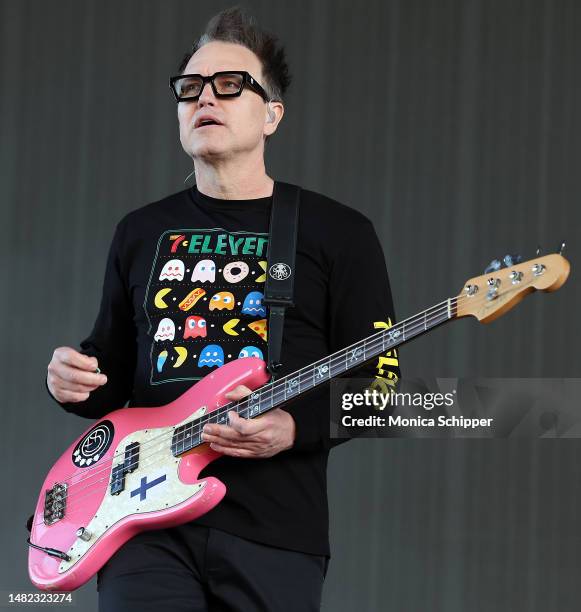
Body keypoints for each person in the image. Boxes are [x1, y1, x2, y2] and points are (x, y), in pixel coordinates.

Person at [45, 7, 400, 612]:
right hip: (145, 525)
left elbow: (388, 389)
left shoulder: (338, 232)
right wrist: (71, 380)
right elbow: (109, 368)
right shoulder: (141, 230)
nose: (205, 97)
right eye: (190, 88)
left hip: (277, 532)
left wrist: (294, 427)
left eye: (230, 84)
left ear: (272, 114)